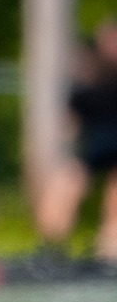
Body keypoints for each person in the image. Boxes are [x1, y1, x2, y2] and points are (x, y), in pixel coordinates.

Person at [36, 18, 117, 263]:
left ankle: (110, 246)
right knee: (66, 180)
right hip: (94, 150)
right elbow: (69, 123)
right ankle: (52, 246)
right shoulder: (87, 81)